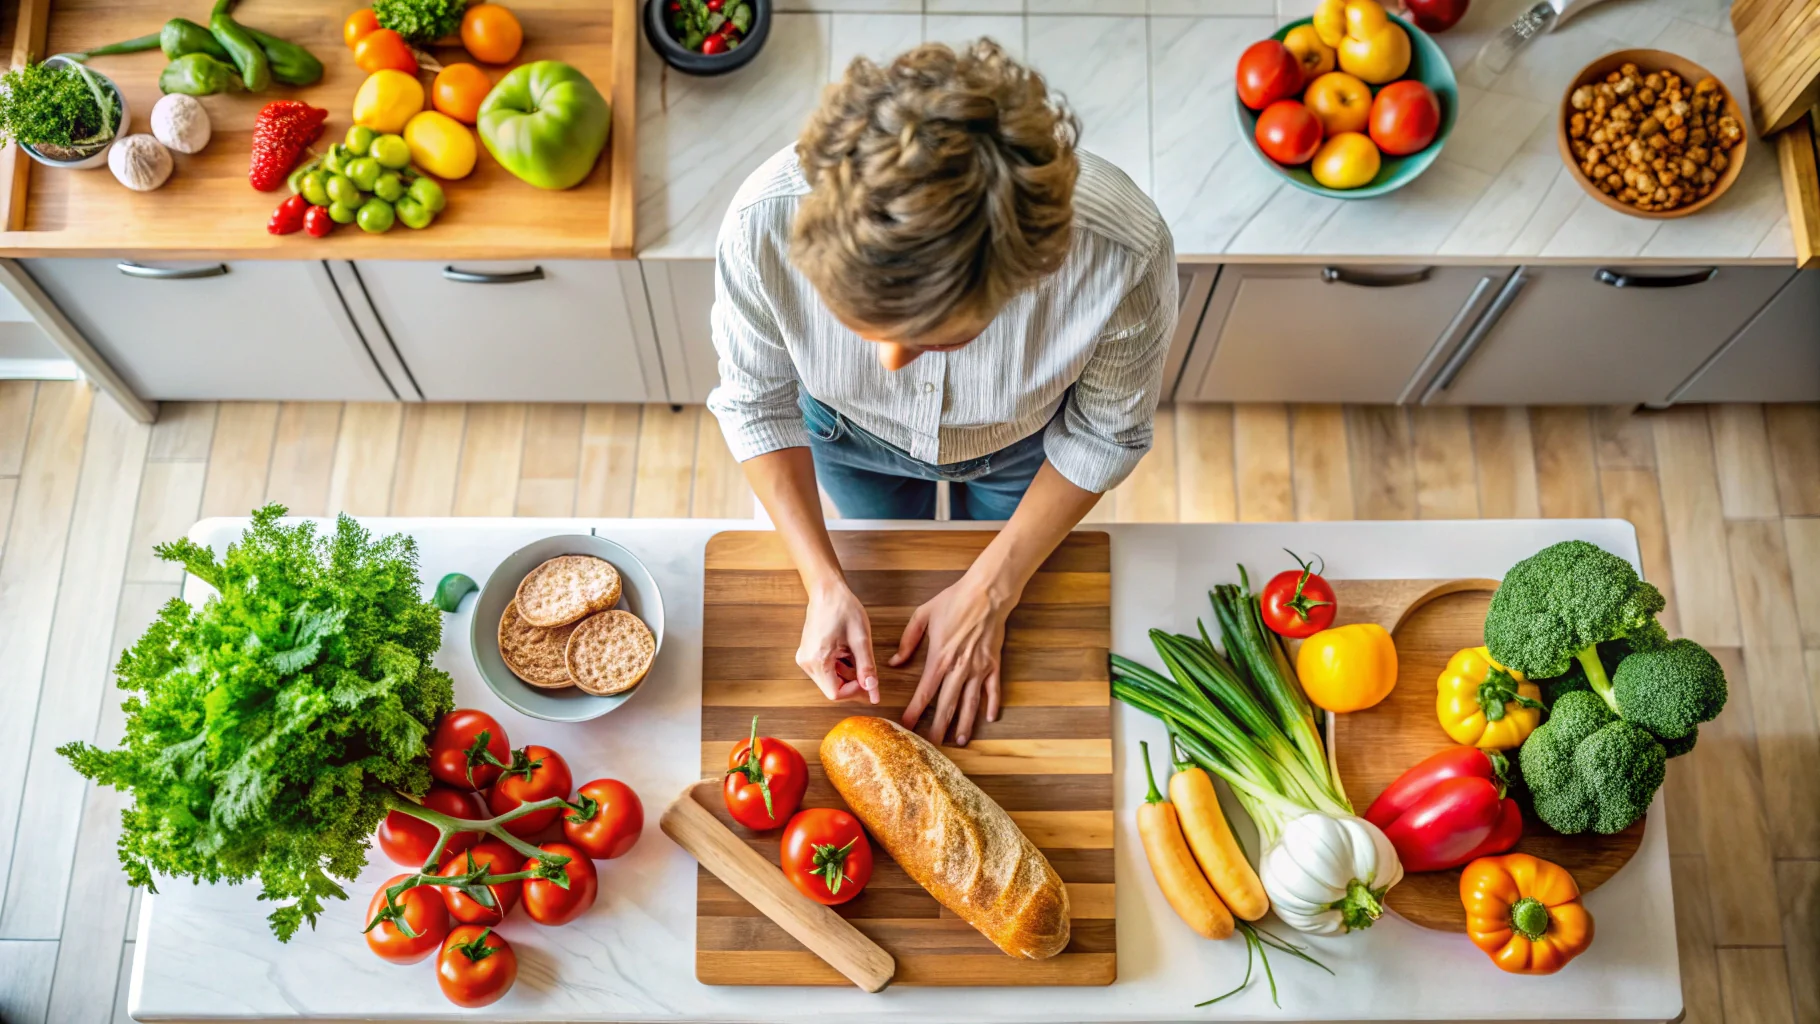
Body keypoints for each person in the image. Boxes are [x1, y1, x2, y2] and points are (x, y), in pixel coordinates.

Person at [707, 39, 1176, 747]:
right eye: (862, 325)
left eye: (936, 338)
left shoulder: (1121, 254)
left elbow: (1103, 433)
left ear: (1024, 275)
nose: (890, 364)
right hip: (842, 440)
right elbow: (758, 403)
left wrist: (992, 590)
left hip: (1025, 449)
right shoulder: (761, 223)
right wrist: (823, 583)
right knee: (885, 534)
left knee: (995, 565)